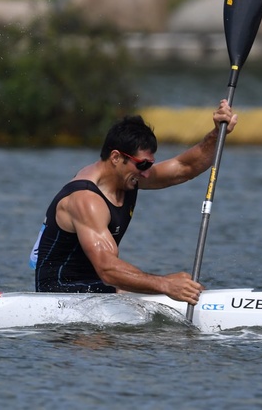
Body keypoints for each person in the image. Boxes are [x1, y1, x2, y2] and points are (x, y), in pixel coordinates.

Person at [30, 99, 238, 305]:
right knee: (135, 297)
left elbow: (184, 167)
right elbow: (108, 269)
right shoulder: (86, 199)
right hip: (59, 291)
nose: (147, 174)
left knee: (138, 295)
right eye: (143, 165)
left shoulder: (129, 177)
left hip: (99, 285)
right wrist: (166, 285)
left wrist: (217, 133)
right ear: (116, 157)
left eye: (150, 165)